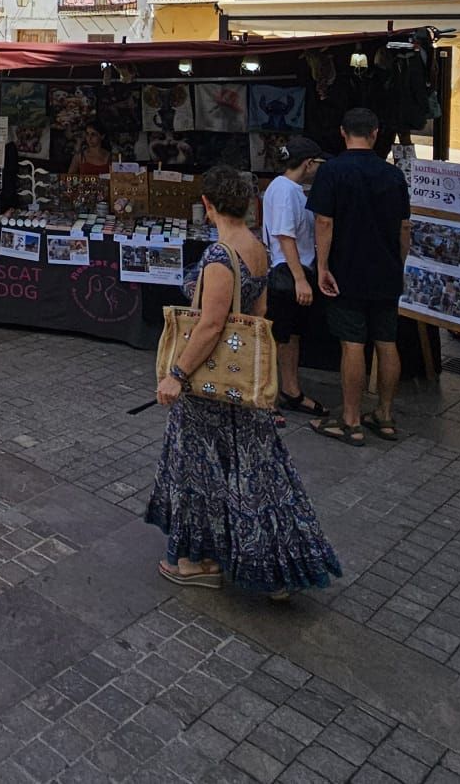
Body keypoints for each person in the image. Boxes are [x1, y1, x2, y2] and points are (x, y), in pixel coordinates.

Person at [145, 166, 341, 597]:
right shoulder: (256, 248)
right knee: (252, 472)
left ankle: (197, 560)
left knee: (198, 471)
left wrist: (176, 374)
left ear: (208, 205)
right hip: (241, 385)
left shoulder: (221, 255)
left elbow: (212, 324)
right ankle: (271, 566)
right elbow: (258, 317)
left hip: (209, 386)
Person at [307, 108, 410, 447]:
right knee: (386, 341)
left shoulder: (332, 171)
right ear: (376, 133)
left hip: (346, 270)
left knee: (352, 342)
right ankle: (384, 414)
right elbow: (404, 228)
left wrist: (322, 267)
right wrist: (400, 263)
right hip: (386, 270)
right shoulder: (393, 175)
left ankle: (351, 419)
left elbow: (324, 222)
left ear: (342, 132)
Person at [263, 137, 327, 421]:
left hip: (293, 268)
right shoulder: (286, 191)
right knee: (279, 336)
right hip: (287, 271)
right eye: (318, 162)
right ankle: (268, 397)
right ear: (308, 163)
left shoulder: (288, 189)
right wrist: (300, 278)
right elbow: (284, 236)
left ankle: (290, 389)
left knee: (289, 336)